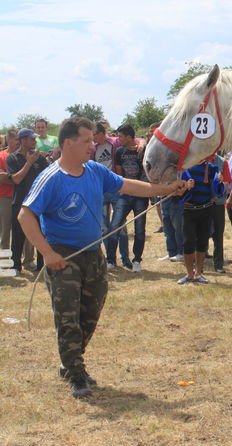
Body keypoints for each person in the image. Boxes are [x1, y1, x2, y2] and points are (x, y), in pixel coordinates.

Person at [17, 117, 190, 398]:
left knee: (90, 314)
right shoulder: (51, 178)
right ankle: (75, 373)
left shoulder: (95, 171)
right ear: (69, 143)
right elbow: (25, 215)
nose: (92, 145)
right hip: (63, 255)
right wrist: (47, 253)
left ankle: (70, 361)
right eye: (86, 141)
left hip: (92, 253)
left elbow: (133, 186)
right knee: (68, 318)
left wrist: (168, 189)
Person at [6, 128, 50, 272]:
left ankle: (41, 266)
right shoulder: (12, 158)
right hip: (20, 203)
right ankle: (16, 266)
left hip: (38, 204)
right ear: (23, 140)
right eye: (32, 139)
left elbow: (47, 178)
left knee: (41, 235)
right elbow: (16, 179)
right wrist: (29, 162)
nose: (35, 141)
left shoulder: (41, 159)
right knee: (18, 237)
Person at [106, 124, 148, 272]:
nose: (119, 139)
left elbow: (145, 142)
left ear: (129, 137)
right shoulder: (119, 151)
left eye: (121, 136)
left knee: (140, 229)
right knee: (114, 227)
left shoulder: (144, 151)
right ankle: (110, 260)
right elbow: (119, 175)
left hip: (141, 196)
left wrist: (142, 144)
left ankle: (137, 260)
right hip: (124, 195)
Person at [178, 159, 224, 284]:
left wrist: (219, 181)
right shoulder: (185, 168)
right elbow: (177, 191)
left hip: (206, 209)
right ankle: (189, 274)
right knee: (188, 242)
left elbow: (218, 191)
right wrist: (186, 186)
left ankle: (198, 273)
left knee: (202, 242)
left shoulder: (212, 169)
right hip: (189, 210)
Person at [91, 121, 130, 267]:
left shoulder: (116, 142)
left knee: (120, 225)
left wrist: (142, 143)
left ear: (101, 133)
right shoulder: (93, 149)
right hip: (100, 190)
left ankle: (125, 258)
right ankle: (110, 259)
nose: (92, 138)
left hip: (117, 189)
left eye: (94, 134)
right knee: (104, 227)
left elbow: (136, 139)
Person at [0, 129, 19, 249]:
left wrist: (8, 176)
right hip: (4, 196)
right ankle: (4, 257)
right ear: (8, 140)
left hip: (20, 196)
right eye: (16, 139)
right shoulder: (1, 156)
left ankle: (27, 259)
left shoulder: (23, 155)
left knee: (23, 228)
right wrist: (17, 179)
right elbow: (1, 178)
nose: (19, 142)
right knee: (5, 228)